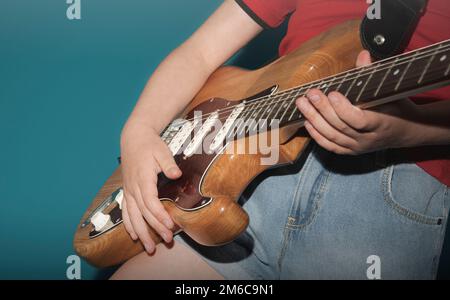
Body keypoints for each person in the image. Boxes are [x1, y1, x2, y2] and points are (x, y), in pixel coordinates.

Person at [111, 0, 450, 279]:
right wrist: (138, 131)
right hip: (250, 177)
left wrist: (410, 127)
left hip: (383, 204)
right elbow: (200, 52)